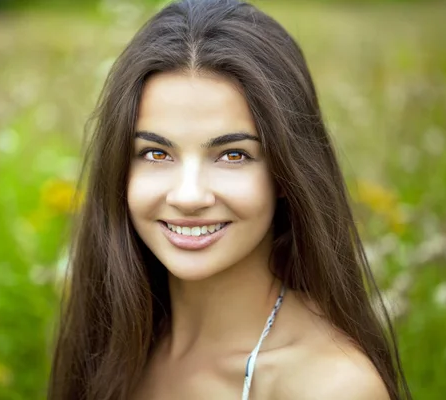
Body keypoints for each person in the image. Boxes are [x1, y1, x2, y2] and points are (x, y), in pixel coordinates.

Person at [48, 0, 411, 399]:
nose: (188, 196)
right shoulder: (115, 341)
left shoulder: (331, 387)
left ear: (286, 174)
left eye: (233, 155)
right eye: (156, 153)